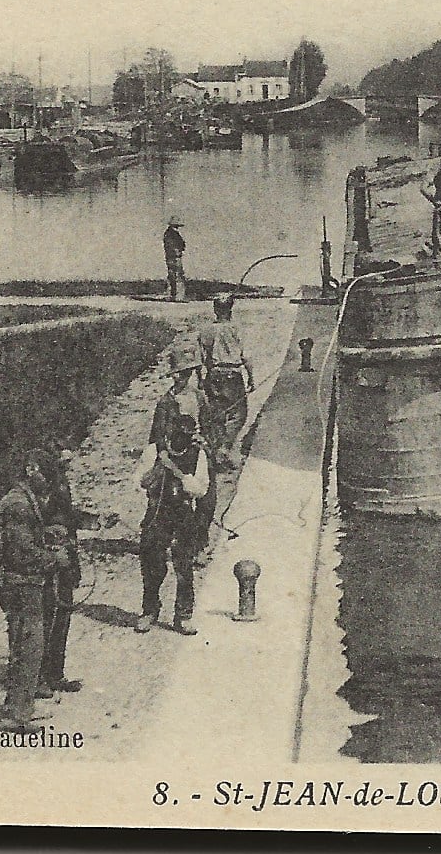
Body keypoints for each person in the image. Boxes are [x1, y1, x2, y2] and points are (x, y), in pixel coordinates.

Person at [0, 449, 72, 734]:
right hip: (20, 585)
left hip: (23, 584)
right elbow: (20, 552)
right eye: (45, 477)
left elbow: (22, 541)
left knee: (28, 648)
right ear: (31, 470)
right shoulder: (18, 504)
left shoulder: (23, 500)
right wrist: (54, 558)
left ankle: (21, 707)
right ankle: (15, 716)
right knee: (27, 649)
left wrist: (47, 537)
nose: (48, 484)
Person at [137, 340, 212, 635]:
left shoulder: (200, 399)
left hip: (186, 500)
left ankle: (183, 615)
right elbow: (155, 446)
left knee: (184, 561)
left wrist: (203, 446)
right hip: (161, 498)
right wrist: (166, 466)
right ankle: (149, 610)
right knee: (152, 556)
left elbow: (210, 434)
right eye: (177, 374)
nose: (181, 378)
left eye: (186, 373)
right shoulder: (165, 404)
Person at [39, 447, 83, 694]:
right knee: (47, 617)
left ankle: (55, 674)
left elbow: (67, 516)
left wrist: (93, 521)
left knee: (63, 613)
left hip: (65, 557)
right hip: (49, 560)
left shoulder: (61, 482)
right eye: (62, 459)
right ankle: (39, 678)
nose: (67, 461)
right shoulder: (41, 488)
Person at [199, 295, 255, 472]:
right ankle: (223, 449)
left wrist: (201, 379)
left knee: (218, 415)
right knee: (239, 414)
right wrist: (251, 377)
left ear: (215, 310)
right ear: (230, 310)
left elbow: (202, 358)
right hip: (232, 376)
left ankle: (217, 452)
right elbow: (246, 357)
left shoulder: (206, 330)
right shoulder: (237, 329)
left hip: (214, 375)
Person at [162, 216, 187, 302]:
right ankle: (178, 296)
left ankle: (171, 295)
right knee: (177, 275)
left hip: (171, 256)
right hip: (174, 257)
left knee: (172, 275)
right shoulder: (172, 234)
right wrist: (177, 251)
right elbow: (172, 245)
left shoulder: (170, 233)